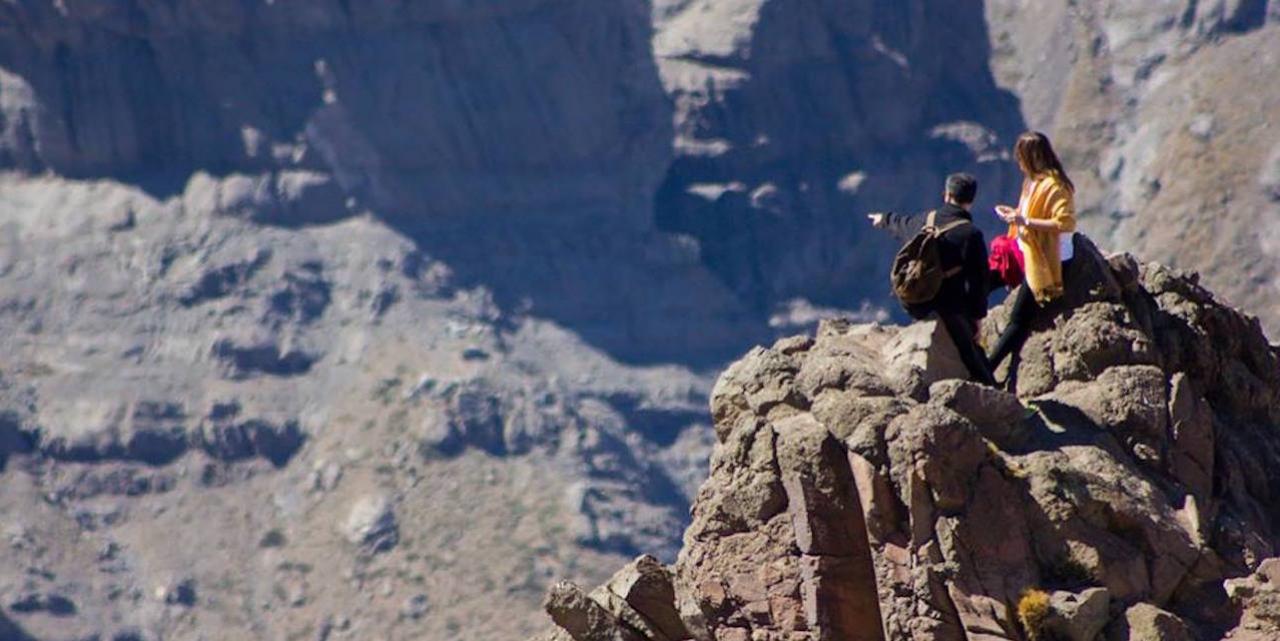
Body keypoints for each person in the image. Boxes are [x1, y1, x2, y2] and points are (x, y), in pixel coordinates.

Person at [869, 173, 996, 386]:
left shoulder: (924, 220)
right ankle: (997, 396)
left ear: (946, 195)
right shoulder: (971, 234)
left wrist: (883, 219)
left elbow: (900, 224)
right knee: (971, 351)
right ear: (971, 200)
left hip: (915, 300)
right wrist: (977, 319)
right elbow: (978, 282)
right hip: (948, 305)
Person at [988, 132, 1077, 376]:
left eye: (1021, 157)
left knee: (1018, 319)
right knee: (985, 280)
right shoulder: (1032, 182)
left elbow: (1065, 224)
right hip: (1028, 249)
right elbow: (1027, 214)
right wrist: (1015, 215)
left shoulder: (1056, 186)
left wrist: (1024, 220)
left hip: (1048, 257)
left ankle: (986, 370)